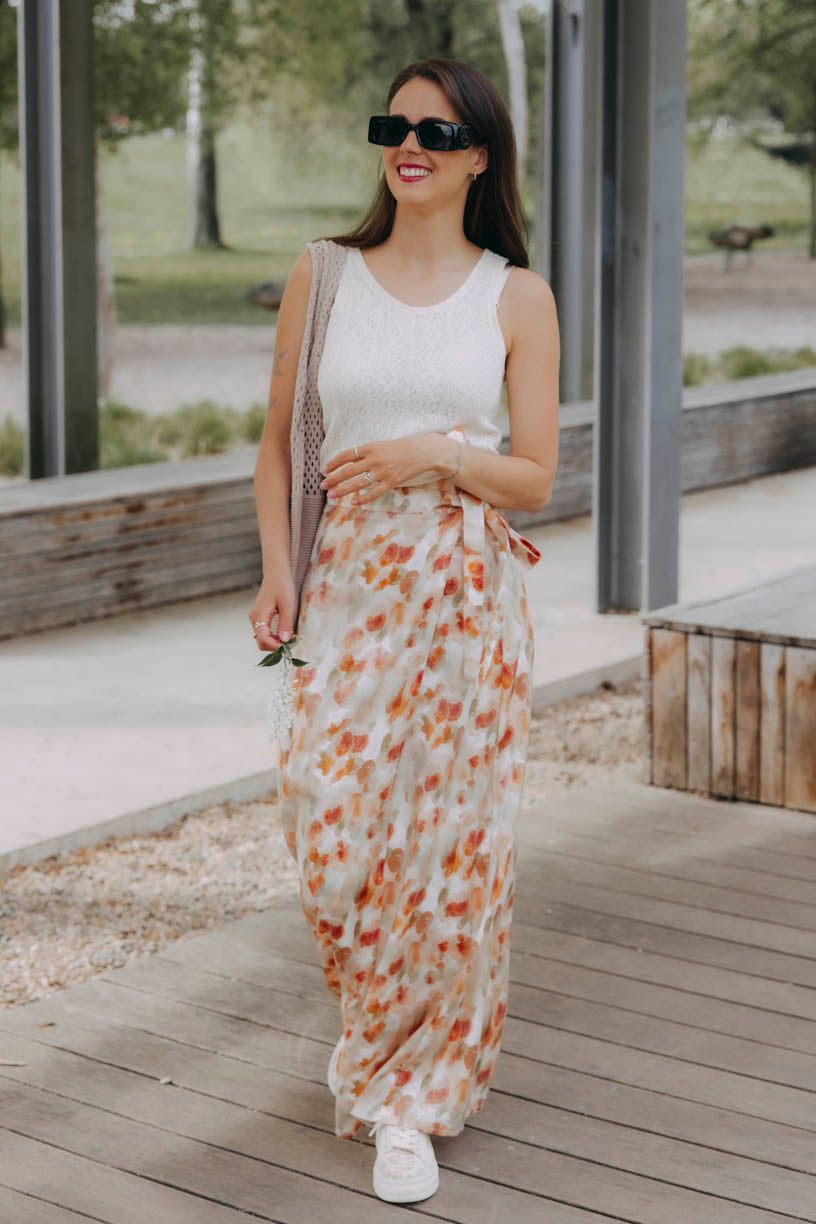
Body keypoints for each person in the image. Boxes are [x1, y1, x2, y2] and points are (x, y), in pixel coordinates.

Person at [250, 55, 560, 1205]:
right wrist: (279, 571)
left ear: (480, 156)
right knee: (328, 827)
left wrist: (436, 451)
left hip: (466, 595)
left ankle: (410, 1099)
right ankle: (384, 1039)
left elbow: (534, 478)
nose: (410, 147)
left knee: (448, 856)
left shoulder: (516, 297)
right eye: (395, 128)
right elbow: (279, 443)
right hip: (344, 588)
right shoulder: (324, 274)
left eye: (436, 131)